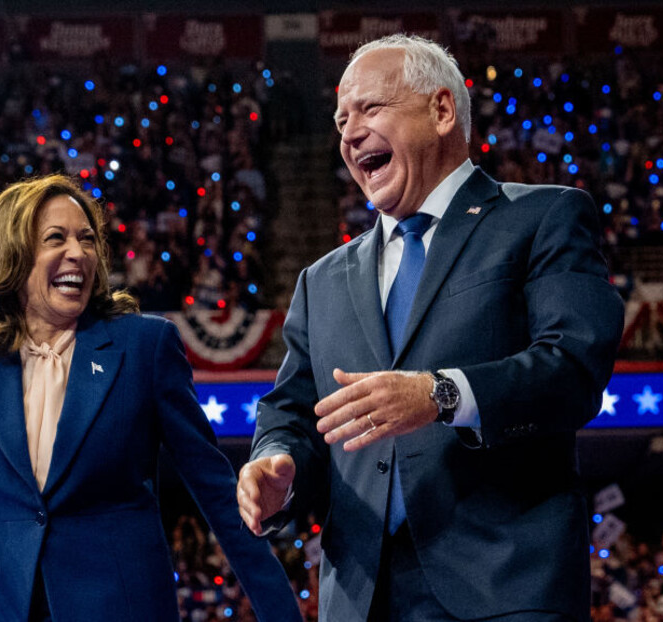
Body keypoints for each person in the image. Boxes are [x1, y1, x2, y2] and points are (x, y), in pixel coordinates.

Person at [237, 34, 624, 622]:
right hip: (361, 598)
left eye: (370, 108)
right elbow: (291, 413)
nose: (348, 132)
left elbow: (573, 369)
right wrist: (276, 466)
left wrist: (439, 394)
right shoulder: (322, 280)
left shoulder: (543, 217)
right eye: (341, 119)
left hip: (506, 591)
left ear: (442, 110)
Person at [0, 175, 300, 622]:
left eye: (88, 239)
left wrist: (281, 613)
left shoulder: (144, 347)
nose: (78, 252)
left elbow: (216, 492)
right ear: (12, 255)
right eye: (55, 238)